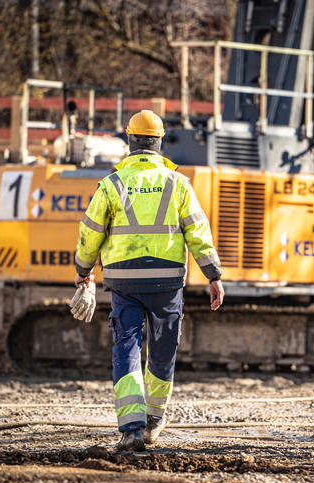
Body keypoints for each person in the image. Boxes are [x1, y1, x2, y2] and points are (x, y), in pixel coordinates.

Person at [70, 110, 224, 451]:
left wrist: (83, 271)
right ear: (159, 141)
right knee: (163, 351)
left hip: (124, 283)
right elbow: (198, 231)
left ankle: (131, 428)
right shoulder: (178, 184)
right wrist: (212, 275)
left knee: (126, 348)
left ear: (130, 141)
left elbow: (91, 231)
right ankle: (155, 418)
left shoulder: (111, 184)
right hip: (167, 283)